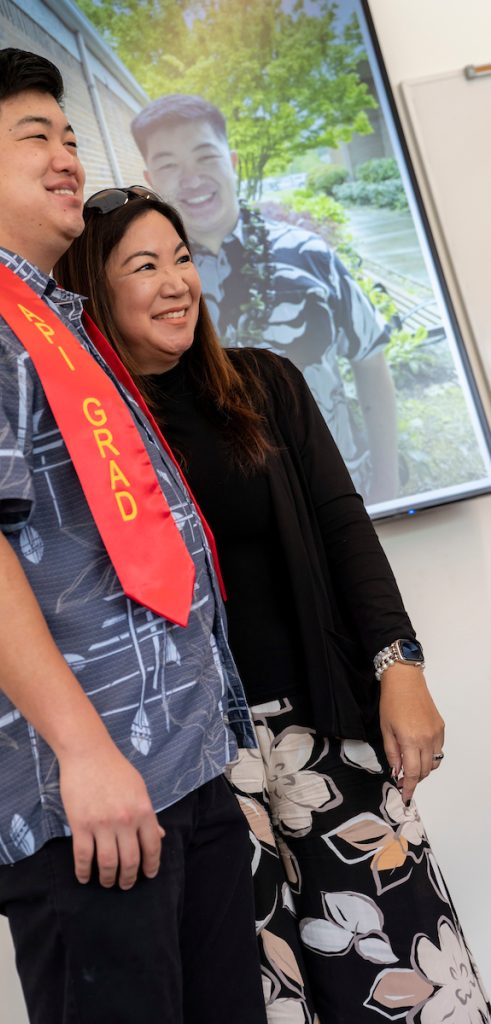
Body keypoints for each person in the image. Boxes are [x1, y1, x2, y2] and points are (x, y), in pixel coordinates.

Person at [0, 50, 268, 1024]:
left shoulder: (56, 318)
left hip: (178, 773)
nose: (67, 159)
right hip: (87, 801)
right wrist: (86, 754)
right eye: (34, 136)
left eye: (71, 138)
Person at [55, 187, 491, 1024]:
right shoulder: (82, 434)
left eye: (180, 257)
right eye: (143, 265)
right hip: (191, 762)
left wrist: (400, 669)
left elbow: (342, 531)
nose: (176, 280)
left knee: (407, 976)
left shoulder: (264, 383)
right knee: (263, 996)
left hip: (322, 728)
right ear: (92, 290)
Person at [130, 94, 399, 506]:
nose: (191, 178)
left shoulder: (310, 254)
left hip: (342, 493)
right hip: (229, 517)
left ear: (232, 162)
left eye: (205, 156)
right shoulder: (147, 289)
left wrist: (387, 483)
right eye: (169, 165)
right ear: (151, 178)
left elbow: (370, 360)